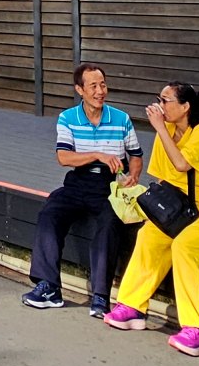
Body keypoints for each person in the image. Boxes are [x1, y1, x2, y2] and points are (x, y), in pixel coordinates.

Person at [104, 82, 199, 356]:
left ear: (185, 107)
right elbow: (163, 177)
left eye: (166, 100)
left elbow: (182, 164)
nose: (160, 106)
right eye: (159, 99)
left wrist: (158, 127)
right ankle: (132, 306)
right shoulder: (167, 131)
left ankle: (197, 329)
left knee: (186, 247)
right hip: (183, 206)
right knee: (149, 235)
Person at [21, 63, 142, 318]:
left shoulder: (121, 118)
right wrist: (98, 154)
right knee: (50, 213)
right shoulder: (68, 118)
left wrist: (132, 177)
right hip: (78, 182)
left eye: (103, 85)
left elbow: (135, 155)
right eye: (93, 86)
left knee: (109, 224)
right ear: (80, 90)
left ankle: (100, 297)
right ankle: (49, 287)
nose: (100, 91)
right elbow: (64, 157)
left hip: (109, 186)